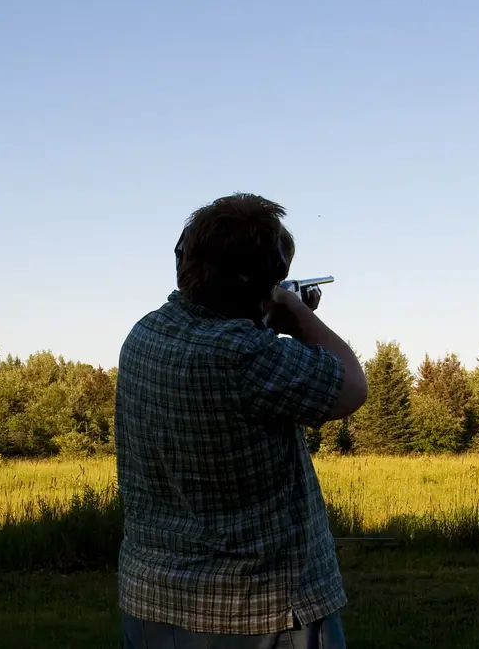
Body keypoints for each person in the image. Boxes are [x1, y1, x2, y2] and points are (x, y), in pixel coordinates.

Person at [114, 193, 368, 649]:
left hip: (152, 602)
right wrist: (293, 312)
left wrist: (264, 313)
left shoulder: (144, 334)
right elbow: (351, 385)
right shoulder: (247, 356)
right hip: (258, 613)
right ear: (262, 283)